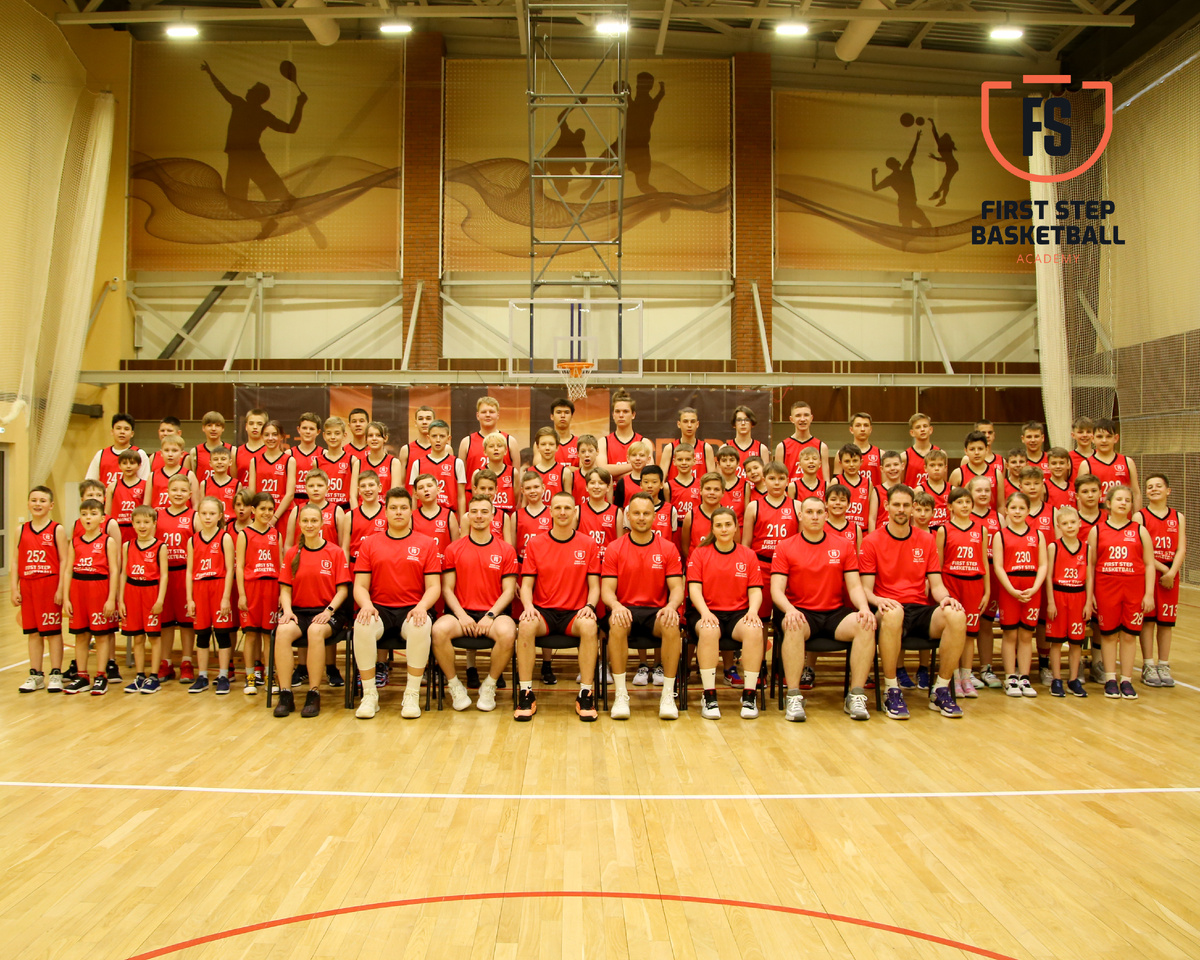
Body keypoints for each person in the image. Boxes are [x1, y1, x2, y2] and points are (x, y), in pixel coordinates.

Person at [858, 485, 966, 720]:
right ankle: (891, 689)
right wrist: (880, 600)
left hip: (918, 608)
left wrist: (946, 598)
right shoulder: (871, 541)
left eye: (906, 505)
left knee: (957, 615)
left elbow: (936, 585)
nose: (901, 509)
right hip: (887, 608)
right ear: (887, 506)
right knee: (894, 612)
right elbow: (865, 589)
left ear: (913, 508)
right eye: (896, 504)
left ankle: (941, 689)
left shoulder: (926, 539)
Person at [772, 496, 876, 722]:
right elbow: (776, 590)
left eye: (820, 512)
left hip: (834, 614)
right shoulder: (785, 546)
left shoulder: (843, 545)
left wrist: (864, 608)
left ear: (826, 515)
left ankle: (856, 695)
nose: (815, 516)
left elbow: (854, 585)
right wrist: (790, 610)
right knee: (793, 624)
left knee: (866, 624)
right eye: (809, 512)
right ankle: (794, 696)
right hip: (801, 612)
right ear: (801, 515)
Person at [352, 488, 441, 719]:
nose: (398, 512)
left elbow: (434, 586)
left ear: (411, 511)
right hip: (379, 608)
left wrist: (422, 607)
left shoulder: (426, 543)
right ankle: (369, 695)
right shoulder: (370, 543)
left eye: (403, 508)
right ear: (386, 512)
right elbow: (360, 585)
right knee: (362, 624)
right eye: (393, 508)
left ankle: (411, 694)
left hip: (412, 608)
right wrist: (366, 605)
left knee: (421, 625)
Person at [513, 491, 602, 722]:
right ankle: (526, 692)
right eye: (558, 508)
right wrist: (528, 606)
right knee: (525, 625)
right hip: (543, 613)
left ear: (575, 513)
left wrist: (590, 606)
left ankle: (586, 693)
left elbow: (594, 585)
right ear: (550, 511)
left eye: (567, 508)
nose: (563, 512)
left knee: (590, 626)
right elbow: (526, 585)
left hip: (575, 614)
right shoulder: (535, 544)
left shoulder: (588, 544)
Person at [602, 494, 685, 720]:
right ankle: (621, 694)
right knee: (616, 623)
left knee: (672, 624)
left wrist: (671, 606)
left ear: (654, 517)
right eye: (636, 513)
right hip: (626, 609)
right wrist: (615, 605)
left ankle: (667, 694)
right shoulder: (615, 548)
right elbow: (607, 589)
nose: (641, 517)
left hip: (656, 612)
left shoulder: (667, 548)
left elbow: (677, 588)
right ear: (628, 516)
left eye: (646, 513)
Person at [433, 495, 520, 712]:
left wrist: (490, 616)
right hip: (461, 614)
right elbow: (447, 589)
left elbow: (509, 591)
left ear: (493, 516)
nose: (479, 516)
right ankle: (454, 685)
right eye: (474, 511)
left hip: (493, 614)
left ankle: (489, 685)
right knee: (438, 630)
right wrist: (462, 615)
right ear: (468, 516)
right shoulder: (453, 549)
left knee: (508, 632)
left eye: (484, 512)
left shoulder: (506, 550)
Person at [274, 504, 351, 718]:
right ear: (299, 524)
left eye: (314, 521)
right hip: (299, 612)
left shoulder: (335, 552)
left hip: (328, 612)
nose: (309, 525)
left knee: (315, 631)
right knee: (282, 631)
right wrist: (287, 611)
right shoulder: (292, 553)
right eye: (305, 521)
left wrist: (328, 611)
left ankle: (313, 693)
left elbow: (343, 590)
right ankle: (285, 693)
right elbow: (285, 588)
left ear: (322, 524)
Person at [687, 506, 764, 719]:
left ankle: (749, 695)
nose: (723, 529)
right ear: (712, 528)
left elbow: (755, 590)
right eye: (719, 525)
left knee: (754, 630)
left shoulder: (748, 555)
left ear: (736, 527)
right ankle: (709, 695)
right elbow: (694, 589)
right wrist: (705, 612)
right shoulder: (700, 553)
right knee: (709, 630)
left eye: (728, 524)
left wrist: (753, 611)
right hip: (706, 611)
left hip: (738, 614)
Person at [1086, 485, 1154, 700]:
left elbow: (1149, 564)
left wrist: (1149, 594)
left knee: (1129, 635)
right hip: (1106, 588)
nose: (1123, 503)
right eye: (1119, 499)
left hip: (1133, 589)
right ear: (1108, 503)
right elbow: (1090, 565)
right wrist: (1091, 594)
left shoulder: (1140, 530)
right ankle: (1110, 679)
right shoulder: (1097, 531)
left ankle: (1126, 680)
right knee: (1108, 635)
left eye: (1127, 500)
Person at [12, 486, 68, 693]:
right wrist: (14, 588)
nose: (37, 504)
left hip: (49, 584)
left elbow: (64, 561)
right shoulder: (21, 530)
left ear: (51, 505)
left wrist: (61, 588)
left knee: (52, 632)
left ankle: (56, 673)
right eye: (34, 500)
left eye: (42, 501)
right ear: (28, 503)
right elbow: (15, 561)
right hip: (28, 585)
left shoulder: (56, 529)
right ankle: (36, 674)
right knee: (33, 632)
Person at [993, 492, 1047, 698]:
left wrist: (1035, 587)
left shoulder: (1038, 535)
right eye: (1013, 508)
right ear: (1006, 510)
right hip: (1010, 589)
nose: (1017, 511)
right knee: (1010, 635)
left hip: (1032, 589)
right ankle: (1010, 677)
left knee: (1026, 635)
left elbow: (1043, 565)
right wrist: (1011, 590)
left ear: (1028, 511)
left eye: (1021, 508)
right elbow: (998, 566)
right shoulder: (1000, 535)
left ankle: (1024, 676)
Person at [936, 487, 988, 699]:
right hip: (952, 583)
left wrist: (987, 592)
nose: (965, 505)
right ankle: (954, 677)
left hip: (974, 585)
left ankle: (967, 677)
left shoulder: (981, 530)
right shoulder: (944, 530)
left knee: (970, 634)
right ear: (950, 507)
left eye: (968, 502)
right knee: (955, 632)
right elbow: (938, 565)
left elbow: (984, 562)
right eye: (960, 502)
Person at [64, 498, 120, 694]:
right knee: (81, 635)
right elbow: (68, 571)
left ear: (102, 518)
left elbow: (114, 570)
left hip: (99, 590)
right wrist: (66, 598)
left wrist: (111, 598)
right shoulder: (75, 542)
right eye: (84, 514)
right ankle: (82, 676)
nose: (88, 518)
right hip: (78, 590)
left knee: (101, 635)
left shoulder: (107, 541)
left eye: (93, 514)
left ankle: (101, 676)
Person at [1136, 474, 1186, 688]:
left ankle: (1163, 664)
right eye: (1149, 486)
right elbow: (1140, 549)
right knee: (1148, 620)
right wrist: (1163, 569)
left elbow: (1181, 548)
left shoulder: (1178, 516)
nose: (1154, 489)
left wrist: (1172, 572)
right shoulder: (1140, 516)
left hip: (1170, 575)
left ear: (1168, 490)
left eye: (1158, 486)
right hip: (1150, 571)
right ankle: (1148, 664)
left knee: (1166, 622)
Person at [185, 497, 236, 695]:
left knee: (222, 634)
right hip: (199, 589)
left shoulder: (225, 538)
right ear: (198, 515)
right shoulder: (192, 540)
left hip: (219, 586)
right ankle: (203, 676)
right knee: (202, 635)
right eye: (204, 513)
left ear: (220, 516)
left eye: (212, 513)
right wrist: (190, 599)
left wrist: (225, 597)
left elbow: (230, 569)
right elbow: (189, 571)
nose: (207, 517)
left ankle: (223, 675)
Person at [118, 506, 168, 694]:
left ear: (154, 523)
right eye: (138, 522)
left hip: (151, 592)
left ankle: (154, 676)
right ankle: (140, 675)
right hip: (132, 592)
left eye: (146, 522)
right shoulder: (127, 546)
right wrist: (121, 600)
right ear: (132, 524)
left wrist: (160, 599)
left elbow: (164, 575)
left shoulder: (160, 546)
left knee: (153, 637)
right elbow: (123, 573)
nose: (142, 526)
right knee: (137, 637)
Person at [235, 491, 281, 694]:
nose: (267, 512)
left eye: (270, 509)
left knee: (269, 636)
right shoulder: (244, 534)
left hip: (271, 587)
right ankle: (250, 677)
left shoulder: (276, 534)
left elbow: (280, 565)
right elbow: (239, 566)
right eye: (263, 508)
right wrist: (242, 594)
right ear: (253, 510)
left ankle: (270, 676)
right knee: (251, 634)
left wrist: (281, 593)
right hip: (251, 587)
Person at [742, 461, 800, 621]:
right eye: (772, 478)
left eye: (781, 478)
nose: (776, 483)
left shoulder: (797, 506)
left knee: (789, 617)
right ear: (764, 480)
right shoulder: (753, 506)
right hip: (762, 566)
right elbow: (746, 544)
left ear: (788, 481)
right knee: (760, 618)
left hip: (789, 568)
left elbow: (802, 543)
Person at [1045, 506, 1089, 697]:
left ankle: (1073, 679)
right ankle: (1056, 679)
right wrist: (1050, 602)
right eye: (1065, 523)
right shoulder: (1053, 547)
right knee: (1056, 642)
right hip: (1059, 596)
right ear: (1058, 526)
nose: (1069, 526)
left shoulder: (1087, 548)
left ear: (1080, 523)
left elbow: (1090, 577)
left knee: (1076, 642)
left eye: (1072, 522)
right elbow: (1048, 576)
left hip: (1078, 597)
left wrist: (1088, 602)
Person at [156, 474, 197, 683]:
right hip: (163, 575)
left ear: (190, 494)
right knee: (165, 622)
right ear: (167, 492)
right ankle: (166, 662)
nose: (178, 494)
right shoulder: (157, 515)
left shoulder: (194, 516)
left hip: (185, 573)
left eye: (182, 490)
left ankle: (187, 662)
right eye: (174, 490)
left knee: (187, 622)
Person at [968, 475, 1003, 689]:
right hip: (969, 574)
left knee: (987, 623)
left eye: (987, 490)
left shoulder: (999, 518)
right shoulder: (963, 516)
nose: (983, 494)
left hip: (993, 573)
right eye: (978, 490)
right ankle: (965, 670)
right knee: (966, 625)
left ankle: (986, 668)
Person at [1079, 418, 1140, 510]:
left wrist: (1136, 516)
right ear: (1093, 439)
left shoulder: (1128, 462)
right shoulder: (1086, 465)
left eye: (1108, 436)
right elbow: (1081, 496)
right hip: (1098, 515)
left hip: (1123, 515)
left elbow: (1136, 493)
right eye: (1100, 437)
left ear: (1116, 438)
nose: (1104, 440)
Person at [409, 420, 467, 517]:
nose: (438, 440)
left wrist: (461, 521)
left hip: (449, 515)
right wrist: (414, 519)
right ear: (428, 438)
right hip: (423, 514)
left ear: (448, 439)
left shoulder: (457, 463)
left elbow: (461, 497)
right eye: (434, 436)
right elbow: (414, 497)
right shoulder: (417, 464)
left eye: (442, 436)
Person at [460, 395, 520, 476]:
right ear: (477, 415)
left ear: (498, 415)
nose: (488, 415)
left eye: (491, 412)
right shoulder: (466, 442)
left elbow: (516, 477)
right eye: (483, 412)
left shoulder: (510, 441)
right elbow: (461, 478)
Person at [85, 412, 150, 485]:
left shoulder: (140, 454)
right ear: (112, 431)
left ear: (132, 433)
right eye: (118, 428)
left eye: (126, 429)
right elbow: (89, 483)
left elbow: (145, 483)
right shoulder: (101, 454)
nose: (122, 432)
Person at [286, 411, 324, 533]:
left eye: (311, 429)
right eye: (304, 428)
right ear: (298, 430)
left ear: (318, 432)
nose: (308, 431)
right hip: (293, 503)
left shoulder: (324, 455)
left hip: (315, 503)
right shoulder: (288, 454)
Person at [776, 399, 829, 483]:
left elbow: (826, 481)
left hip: (816, 491)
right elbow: (778, 479)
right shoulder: (782, 447)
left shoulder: (822, 446)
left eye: (806, 415)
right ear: (791, 419)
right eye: (798, 415)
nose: (802, 419)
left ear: (811, 418)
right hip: (792, 490)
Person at [253, 421, 295, 525]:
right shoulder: (254, 461)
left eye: (275, 434)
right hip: (261, 516)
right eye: (266, 435)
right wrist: (262, 515)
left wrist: (274, 518)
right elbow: (252, 494)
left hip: (283, 514)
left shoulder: (289, 460)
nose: (270, 438)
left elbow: (290, 494)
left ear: (281, 436)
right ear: (262, 437)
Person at [598, 390, 644, 480]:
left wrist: (615, 475)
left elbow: (647, 471)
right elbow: (602, 470)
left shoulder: (644, 442)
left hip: (636, 489)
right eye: (617, 411)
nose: (621, 415)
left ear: (633, 415)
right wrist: (636, 465)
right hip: (612, 489)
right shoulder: (603, 442)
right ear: (613, 415)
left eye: (625, 411)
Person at [106, 449, 148, 544]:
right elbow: (107, 513)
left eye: (132, 463)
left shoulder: (145, 485)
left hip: (138, 528)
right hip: (118, 528)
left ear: (139, 465)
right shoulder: (113, 486)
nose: (128, 466)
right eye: (125, 463)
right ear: (119, 465)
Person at [315, 416, 358, 509]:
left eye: (337, 433)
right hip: (324, 510)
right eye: (329, 433)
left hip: (346, 509)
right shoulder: (317, 462)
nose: (333, 437)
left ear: (344, 436)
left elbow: (355, 493)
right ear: (324, 436)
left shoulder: (352, 460)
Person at [661, 407, 715, 479]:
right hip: (675, 486)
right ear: (679, 424)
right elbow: (661, 480)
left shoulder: (706, 448)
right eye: (685, 421)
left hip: (699, 486)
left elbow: (712, 480)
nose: (689, 425)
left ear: (697, 424)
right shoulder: (670, 448)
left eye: (692, 421)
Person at [148, 435, 199, 510]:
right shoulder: (152, 475)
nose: (170, 454)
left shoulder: (189, 475)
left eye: (174, 451)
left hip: (183, 517)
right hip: (159, 516)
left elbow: (196, 504)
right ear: (161, 453)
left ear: (182, 454)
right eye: (166, 450)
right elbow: (147, 505)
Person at [950, 430, 1001, 505]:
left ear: (986, 449)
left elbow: (1000, 505)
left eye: (980, 449)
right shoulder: (957, 474)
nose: (976, 453)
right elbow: (951, 504)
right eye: (972, 449)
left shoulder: (997, 474)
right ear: (966, 451)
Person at [834, 444, 877, 531]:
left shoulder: (868, 483)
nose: (851, 464)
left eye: (855, 461)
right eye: (847, 461)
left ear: (861, 462)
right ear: (840, 463)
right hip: (842, 530)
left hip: (863, 530)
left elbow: (871, 512)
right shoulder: (836, 481)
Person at [530, 427, 574, 509]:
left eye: (551, 444)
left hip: (556, 516)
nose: (547, 448)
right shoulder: (530, 472)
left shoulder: (565, 472)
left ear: (557, 447)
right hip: (535, 516)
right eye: (543, 444)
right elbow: (525, 505)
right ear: (538, 447)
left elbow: (568, 503)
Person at [188, 411, 235, 486]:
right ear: (203, 428)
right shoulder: (195, 451)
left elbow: (235, 477)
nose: (213, 429)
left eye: (217, 425)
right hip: (203, 492)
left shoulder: (232, 450)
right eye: (209, 425)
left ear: (223, 428)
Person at [358, 421, 400, 499]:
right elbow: (353, 496)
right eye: (370, 435)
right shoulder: (358, 464)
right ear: (366, 439)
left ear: (385, 438)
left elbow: (394, 495)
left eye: (378, 435)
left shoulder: (394, 463)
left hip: (386, 506)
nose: (374, 438)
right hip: (362, 506)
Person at [727, 405, 770, 477]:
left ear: (752, 423)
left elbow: (765, 477)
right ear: (734, 424)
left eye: (747, 420)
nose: (743, 423)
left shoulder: (761, 449)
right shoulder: (725, 447)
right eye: (739, 420)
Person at [201, 446, 241, 523]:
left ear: (230, 462)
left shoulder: (237, 484)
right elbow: (202, 508)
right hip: (212, 524)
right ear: (210, 463)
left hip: (230, 524)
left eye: (223, 459)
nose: (219, 462)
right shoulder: (204, 484)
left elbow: (238, 508)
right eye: (216, 459)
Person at [841, 412, 882, 487]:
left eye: (866, 425)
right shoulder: (841, 454)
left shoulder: (880, 454)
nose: (862, 429)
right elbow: (837, 485)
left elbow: (884, 486)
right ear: (851, 429)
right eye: (858, 425)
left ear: (870, 429)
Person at [398, 404, 436, 484]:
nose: (424, 422)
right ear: (415, 423)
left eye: (428, 418)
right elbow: (401, 483)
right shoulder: (406, 450)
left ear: (434, 422)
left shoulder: (445, 449)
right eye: (421, 419)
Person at [901, 413, 939, 489]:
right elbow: (901, 483)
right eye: (918, 427)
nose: (922, 429)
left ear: (930, 429)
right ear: (912, 432)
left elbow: (943, 482)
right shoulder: (904, 456)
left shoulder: (940, 454)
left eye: (925, 426)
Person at [236, 408, 268, 490]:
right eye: (251, 423)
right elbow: (233, 480)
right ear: (246, 426)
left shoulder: (270, 451)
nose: (255, 427)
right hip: (243, 496)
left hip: (263, 496)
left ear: (266, 427)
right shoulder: (237, 452)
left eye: (259, 424)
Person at [613, 440, 651, 509]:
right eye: (634, 455)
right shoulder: (622, 482)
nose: (638, 458)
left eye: (642, 455)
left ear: (648, 459)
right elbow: (619, 509)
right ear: (628, 458)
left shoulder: (654, 481)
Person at [917, 450, 950, 529]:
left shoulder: (952, 490)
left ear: (945, 468)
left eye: (940, 465)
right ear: (925, 468)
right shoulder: (920, 490)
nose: (936, 468)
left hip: (947, 531)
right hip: (927, 530)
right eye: (932, 465)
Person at [550, 397, 580, 467]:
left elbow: (585, 471)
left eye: (566, 412)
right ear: (552, 416)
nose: (563, 416)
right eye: (558, 412)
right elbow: (540, 469)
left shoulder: (580, 443)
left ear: (572, 416)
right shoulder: (542, 443)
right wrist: (570, 470)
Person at [1044, 447, 1076, 511]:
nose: (1058, 466)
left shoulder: (1074, 487)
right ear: (1048, 465)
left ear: (1068, 465)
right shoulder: (1044, 487)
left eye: (1061, 463)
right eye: (1054, 463)